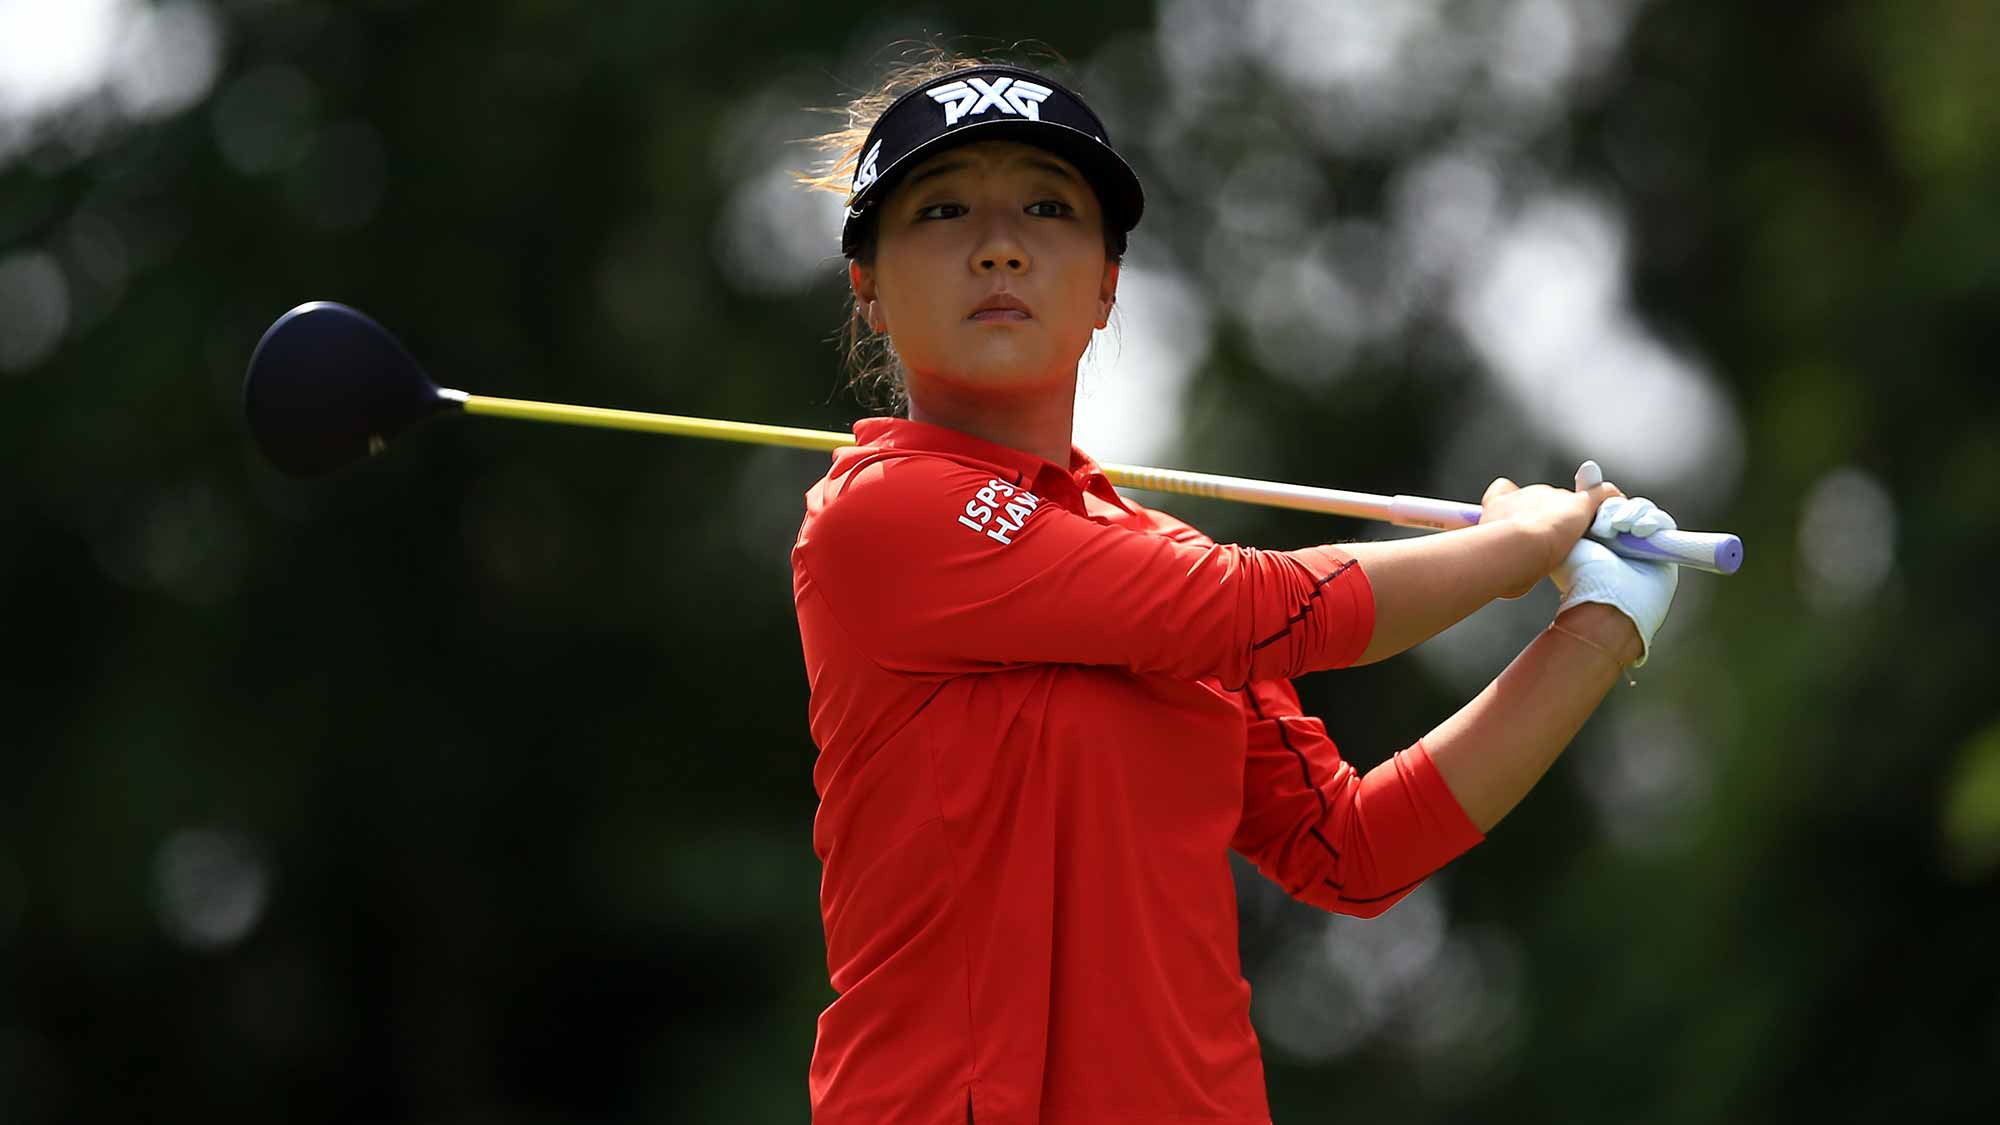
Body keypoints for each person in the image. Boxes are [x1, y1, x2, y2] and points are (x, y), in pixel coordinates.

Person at [789, 49, 1679, 1125]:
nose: (999, 248)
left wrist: (1594, 624)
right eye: (940, 212)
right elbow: (1254, 610)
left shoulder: (1147, 557)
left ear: (1108, 283)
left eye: (1044, 206)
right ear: (867, 286)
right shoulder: (884, 512)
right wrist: (1508, 549)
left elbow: (1349, 848)